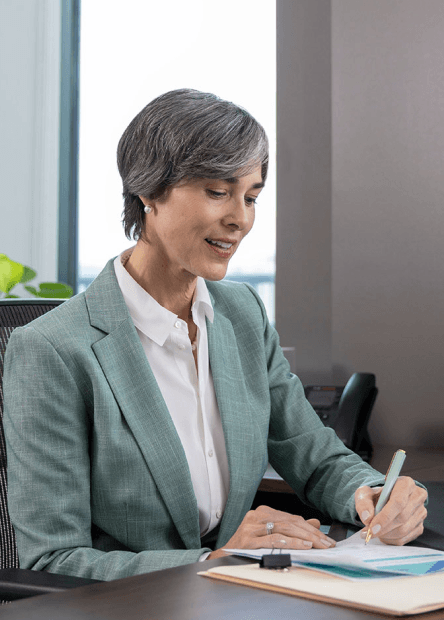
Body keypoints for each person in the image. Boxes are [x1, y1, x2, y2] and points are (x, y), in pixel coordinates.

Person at [3, 89, 427, 581]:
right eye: (217, 192)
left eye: (250, 196)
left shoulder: (241, 314)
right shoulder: (51, 350)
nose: (240, 219)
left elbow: (315, 457)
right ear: (148, 191)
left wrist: (373, 495)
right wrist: (214, 561)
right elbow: (54, 561)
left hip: (245, 598)